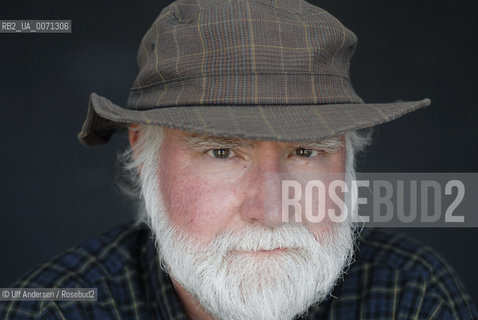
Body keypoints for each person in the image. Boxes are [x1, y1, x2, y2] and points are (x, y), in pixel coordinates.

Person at [1, 0, 476, 319]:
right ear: (142, 156)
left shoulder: (413, 296)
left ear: (349, 161)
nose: (271, 209)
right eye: (222, 152)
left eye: (306, 151)